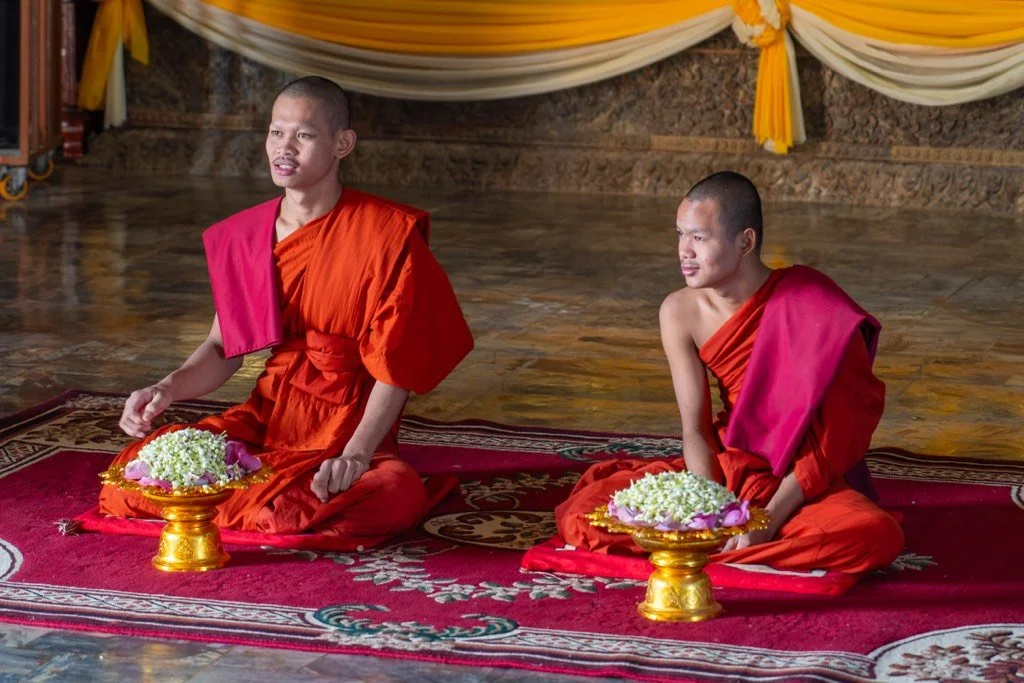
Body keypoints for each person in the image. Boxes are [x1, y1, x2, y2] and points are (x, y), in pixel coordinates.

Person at [98, 76, 474, 549]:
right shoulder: (246, 235)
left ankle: (257, 504)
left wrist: (356, 455)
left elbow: (396, 368)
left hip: (347, 424)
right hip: (268, 416)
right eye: (276, 132)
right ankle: (265, 505)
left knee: (392, 493)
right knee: (130, 476)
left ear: (342, 143)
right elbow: (222, 346)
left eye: (304, 134)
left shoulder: (385, 234)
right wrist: (165, 388)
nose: (284, 147)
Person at [554, 171, 903, 574]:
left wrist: (767, 520)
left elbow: (834, 439)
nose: (684, 251)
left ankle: (722, 553)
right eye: (680, 234)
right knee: (583, 517)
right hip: (728, 467)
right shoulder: (679, 311)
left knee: (874, 534)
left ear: (745, 242)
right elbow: (695, 430)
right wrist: (712, 509)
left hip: (798, 478)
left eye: (699, 238)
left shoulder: (815, 304)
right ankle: (733, 554)